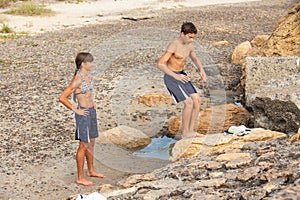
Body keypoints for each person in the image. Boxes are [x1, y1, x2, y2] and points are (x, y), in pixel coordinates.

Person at [59, 52, 105, 186]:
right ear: (83, 64)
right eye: (90, 62)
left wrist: (93, 103)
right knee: (83, 145)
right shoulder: (77, 79)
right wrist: (76, 109)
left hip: (91, 112)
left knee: (91, 143)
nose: (92, 64)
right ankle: (80, 177)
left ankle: (91, 171)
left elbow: (88, 94)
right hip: (83, 114)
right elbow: (62, 97)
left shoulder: (89, 76)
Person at [157, 22, 207, 139]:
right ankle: (185, 133)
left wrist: (201, 70)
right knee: (188, 102)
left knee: (197, 100)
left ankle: (191, 130)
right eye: (189, 37)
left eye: (193, 38)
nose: (191, 40)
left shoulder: (189, 46)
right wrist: (175, 76)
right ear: (182, 34)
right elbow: (160, 64)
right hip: (171, 77)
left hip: (181, 75)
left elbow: (195, 59)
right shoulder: (174, 45)